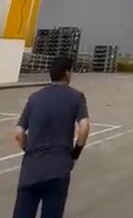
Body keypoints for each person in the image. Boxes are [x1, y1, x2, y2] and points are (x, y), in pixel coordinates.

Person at [13, 58, 90, 218]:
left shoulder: (34, 98)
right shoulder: (76, 97)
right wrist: (74, 155)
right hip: (58, 167)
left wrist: (30, 150)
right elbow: (84, 127)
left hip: (31, 169)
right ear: (67, 73)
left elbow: (19, 133)